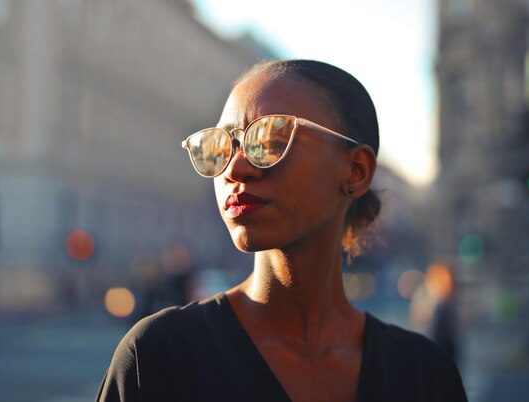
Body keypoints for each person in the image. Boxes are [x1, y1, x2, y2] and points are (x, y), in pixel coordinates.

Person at [95, 59, 467, 402]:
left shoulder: (423, 376)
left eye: (269, 139)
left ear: (356, 171)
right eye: (220, 146)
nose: (235, 168)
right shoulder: (158, 357)